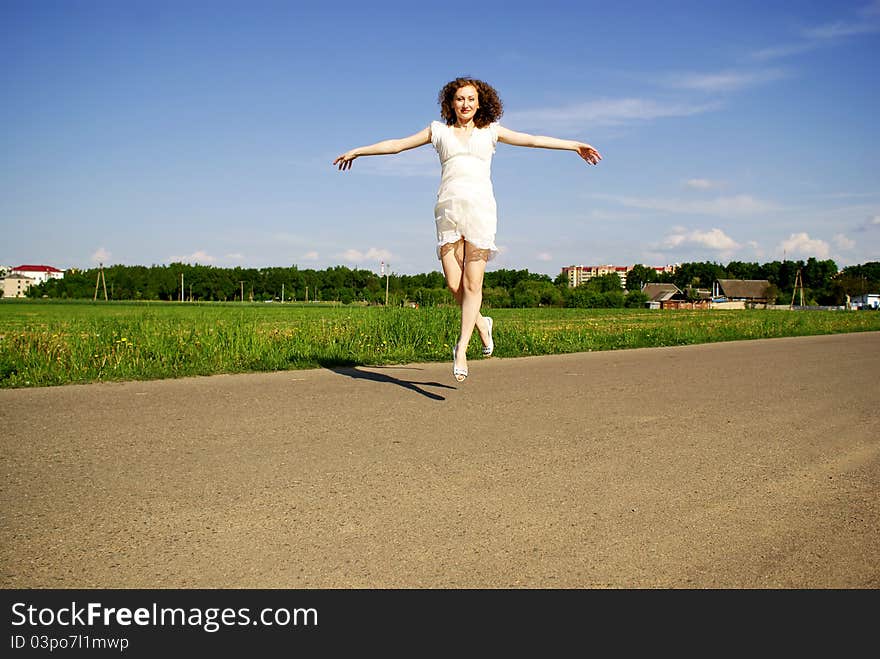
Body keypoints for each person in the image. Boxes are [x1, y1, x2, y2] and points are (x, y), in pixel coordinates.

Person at [334, 77, 601, 382]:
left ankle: (461, 348)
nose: (466, 104)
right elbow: (396, 146)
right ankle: (482, 324)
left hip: (481, 211)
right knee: (454, 285)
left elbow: (532, 139)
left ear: (480, 102)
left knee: (473, 285)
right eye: (460, 99)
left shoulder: (491, 131)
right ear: (451, 102)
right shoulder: (438, 131)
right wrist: (358, 151)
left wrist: (573, 145)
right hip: (447, 211)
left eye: (471, 99)